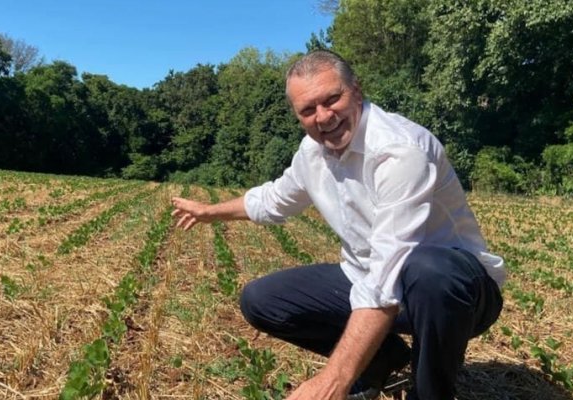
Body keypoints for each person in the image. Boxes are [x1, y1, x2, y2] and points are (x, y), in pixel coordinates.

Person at [170, 50, 505, 400]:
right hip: (377, 280)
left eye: (332, 99)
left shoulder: (399, 151)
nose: (323, 117)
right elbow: (272, 200)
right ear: (297, 116)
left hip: (459, 293)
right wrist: (209, 212)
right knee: (261, 299)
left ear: (356, 91)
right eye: (308, 110)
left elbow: (386, 275)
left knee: (430, 270)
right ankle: (386, 364)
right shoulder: (311, 153)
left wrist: (335, 378)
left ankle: (429, 392)